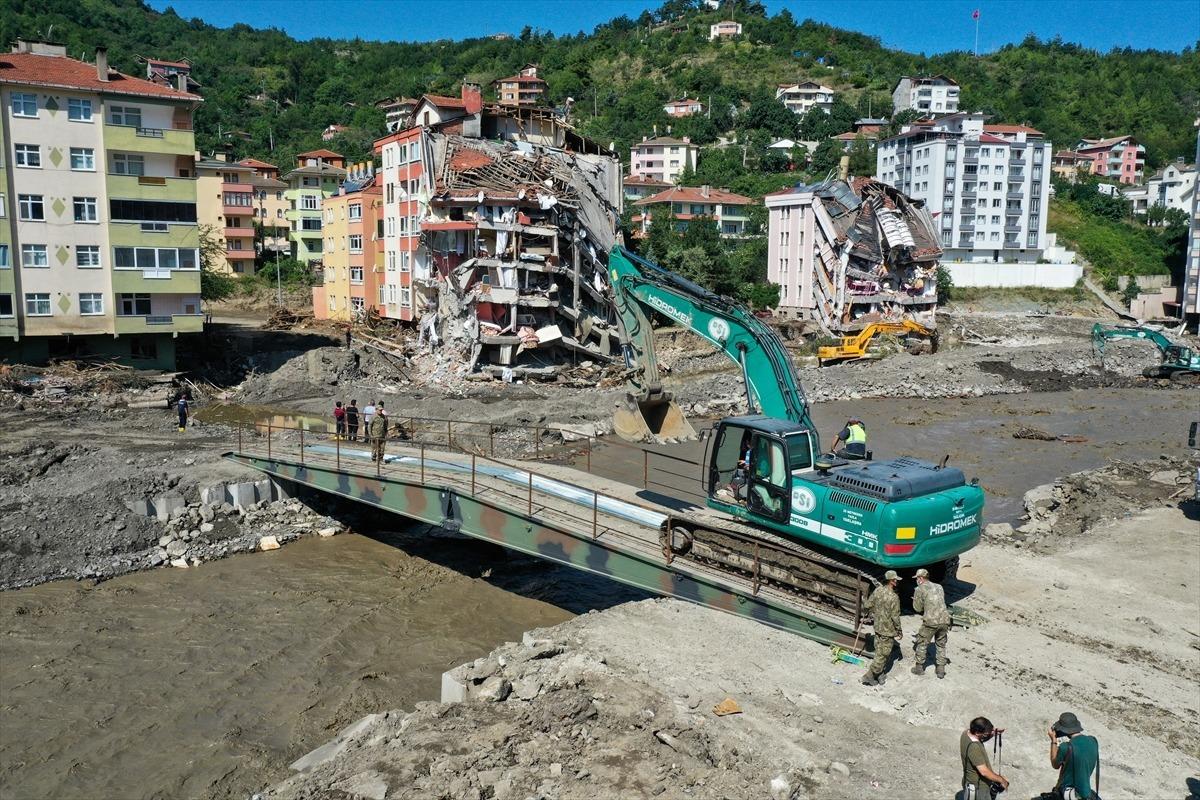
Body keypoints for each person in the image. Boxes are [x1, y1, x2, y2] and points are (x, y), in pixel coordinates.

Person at [861, 569, 902, 686]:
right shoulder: (894, 597)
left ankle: (879, 674)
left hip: (878, 627)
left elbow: (868, 605)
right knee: (883, 654)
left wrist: (867, 609)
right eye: (895, 580)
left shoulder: (878, 590)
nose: (896, 581)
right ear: (892, 581)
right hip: (888, 630)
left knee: (879, 650)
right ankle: (869, 675)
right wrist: (899, 630)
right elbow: (895, 616)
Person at [911, 566, 952, 678]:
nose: (916, 580)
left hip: (931, 621)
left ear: (920, 578)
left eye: (917, 578)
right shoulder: (939, 587)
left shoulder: (919, 589)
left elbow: (917, 608)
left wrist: (916, 599)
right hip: (944, 619)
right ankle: (940, 669)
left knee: (922, 642)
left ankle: (919, 667)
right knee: (941, 644)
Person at [1048, 712, 1100, 799]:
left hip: (1069, 792)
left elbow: (1055, 764)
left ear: (1064, 730)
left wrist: (1053, 740)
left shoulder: (1066, 747)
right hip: (1086, 791)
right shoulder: (1093, 741)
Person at [961, 717, 1009, 799]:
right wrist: (1001, 780)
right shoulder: (974, 748)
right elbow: (984, 772)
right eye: (986, 734)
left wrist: (993, 732)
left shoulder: (966, 733)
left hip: (969, 781)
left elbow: (980, 738)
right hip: (979, 788)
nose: (987, 735)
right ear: (977, 732)